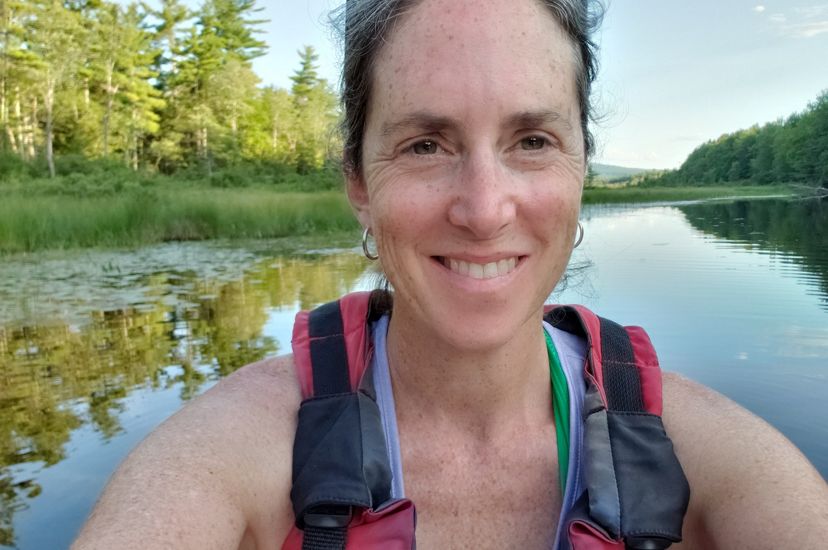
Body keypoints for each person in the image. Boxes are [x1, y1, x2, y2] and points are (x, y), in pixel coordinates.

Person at [72, 0, 828, 549]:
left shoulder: (716, 461)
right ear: (359, 185)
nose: (484, 208)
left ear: (581, 170)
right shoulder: (232, 454)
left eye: (532, 139)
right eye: (426, 144)